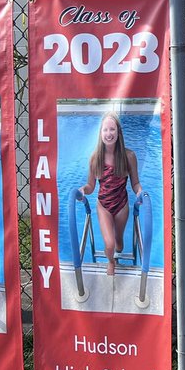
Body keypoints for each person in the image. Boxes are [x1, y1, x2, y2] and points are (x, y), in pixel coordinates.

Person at [81, 113, 142, 277]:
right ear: (100, 133)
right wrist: (83, 190)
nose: (109, 133)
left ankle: (118, 250)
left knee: (119, 243)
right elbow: (90, 186)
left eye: (112, 129)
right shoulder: (95, 158)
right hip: (104, 206)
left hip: (122, 205)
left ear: (118, 132)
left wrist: (140, 192)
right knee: (109, 244)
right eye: (105, 130)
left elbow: (135, 183)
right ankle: (111, 261)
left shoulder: (129, 156)